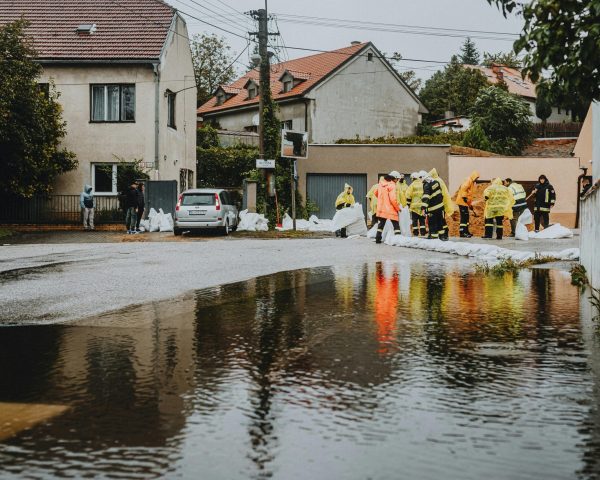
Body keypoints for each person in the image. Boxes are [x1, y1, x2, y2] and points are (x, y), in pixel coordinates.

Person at [374, 171, 402, 244]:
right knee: (396, 225)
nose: (398, 181)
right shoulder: (392, 185)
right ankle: (398, 239)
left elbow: (375, 193)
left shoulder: (381, 184)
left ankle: (378, 239)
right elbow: (393, 199)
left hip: (381, 208)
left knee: (381, 225)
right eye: (397, 179)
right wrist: (398, 208)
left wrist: (382, 200)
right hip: (390, 208)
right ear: (394, 178)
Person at [429, 168, 454, 240]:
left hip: (440, 203)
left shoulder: (437, 181)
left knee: (441, 220)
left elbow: (439, 193)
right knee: (441, 219)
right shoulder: (439, 180)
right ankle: (444, 234)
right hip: (442, 203)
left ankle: (444, 234)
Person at [422, 172, 447, 241]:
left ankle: (434, 236)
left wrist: (423, 208)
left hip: (433, 208)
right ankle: (442, 236)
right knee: (440, 222)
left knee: (432, 222)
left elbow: (426, 197)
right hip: (440, 206)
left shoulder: (427, 185)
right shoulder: (436, 182)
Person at [455, 170, 479, 238]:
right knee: (464, 218)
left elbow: (469, 194)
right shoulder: (469, 180)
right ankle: (462, 232)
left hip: (465, 203)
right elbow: (463, 188)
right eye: (476, 178)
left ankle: (466, 231)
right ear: (474, 176)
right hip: (462, 201)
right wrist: (464, 197)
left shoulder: (471, 182)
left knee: (466, 217)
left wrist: (469, 204)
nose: (476, 179)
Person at [405, 172, 427, 236]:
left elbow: (408, 196)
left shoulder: (412, 185)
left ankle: (415, 233)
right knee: (422, 220)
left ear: (412, 178)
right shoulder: (423, 184)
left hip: (414, 207)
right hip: (422, 206)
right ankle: (423, 232)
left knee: (414, 220)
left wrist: (408, 205)